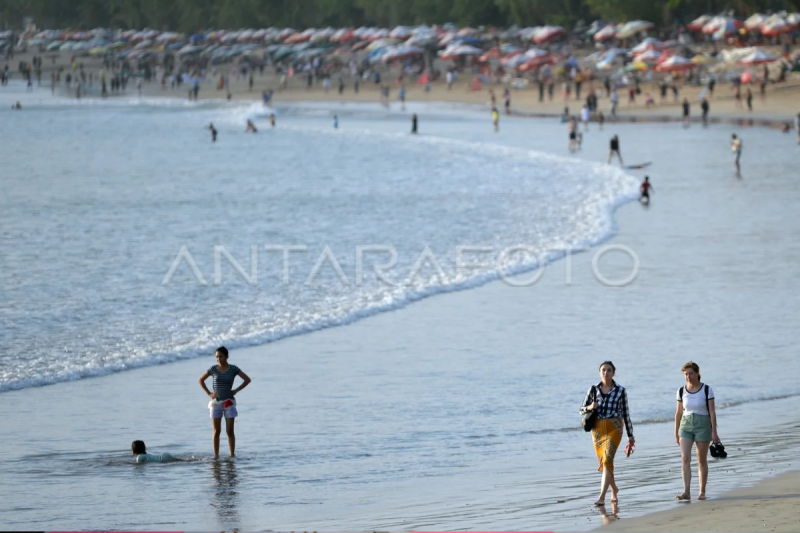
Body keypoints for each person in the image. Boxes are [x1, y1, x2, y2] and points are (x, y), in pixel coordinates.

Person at [580, 361, 635, 506]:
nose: (606, 373)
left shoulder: (620, 391)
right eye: (603, 370)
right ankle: (614, 489)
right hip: (597, 430)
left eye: (609, 370)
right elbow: (581, 409)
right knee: (606, 462)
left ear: (613, 373)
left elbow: (626, 414)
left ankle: (602, 497)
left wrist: (630, 435)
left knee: (607, 459)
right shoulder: (593, 389)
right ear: (599, 372)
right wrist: (590, 407)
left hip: (614, 427)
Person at [675, 362, 719, 501]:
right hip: (685, 425)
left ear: (697, 373)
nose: (688, 376)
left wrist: (714, 432)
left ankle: (702, 491)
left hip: (703, 424)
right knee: (685, 458)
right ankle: (686, 491)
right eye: (686, 374)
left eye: (691, 373)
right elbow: (678, 413)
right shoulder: (681, 391)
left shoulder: (707, 389)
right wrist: (676, 432)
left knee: (701, 460)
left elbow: (712, 411)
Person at [198, 346, 252, 458]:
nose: (218, 359)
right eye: (216, 357)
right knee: (216, 431)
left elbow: (247, 379)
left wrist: (236, 390)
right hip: (216, 403)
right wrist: (209, 393)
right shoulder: (213, 369)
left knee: (230, 431)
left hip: (229, 402)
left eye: (220, 356)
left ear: (226, 356)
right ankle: (216, 456)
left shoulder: (233, 369)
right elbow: (201, 380)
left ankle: (232, 455)